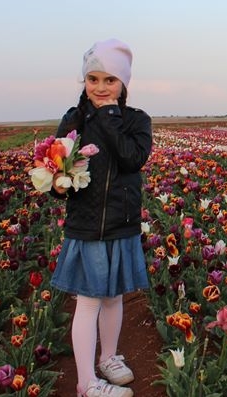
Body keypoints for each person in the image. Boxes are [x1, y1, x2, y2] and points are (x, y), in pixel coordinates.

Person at [49, 39, 152, 397]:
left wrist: (110, 118)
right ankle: (86, 382)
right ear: (84, 81)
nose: (100, 87)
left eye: (109, 80)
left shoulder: (137, 121)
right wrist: (57, 187)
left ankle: (108, 358)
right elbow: (56, 167)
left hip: (121, 223)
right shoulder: (73, 120)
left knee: (113, 298)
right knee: (90, 300)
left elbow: (132, 158)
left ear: (123, 83)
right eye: (92, 79)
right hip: (87, 223)